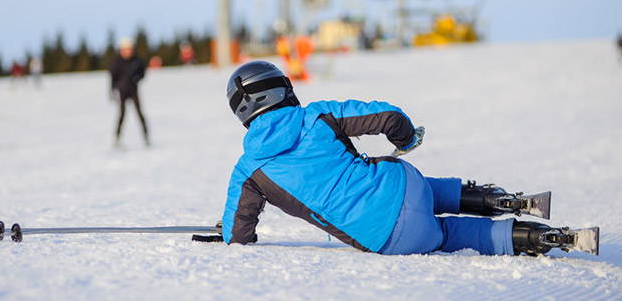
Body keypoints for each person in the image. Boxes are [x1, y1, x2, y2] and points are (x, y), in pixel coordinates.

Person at [220, 61, 597, 256]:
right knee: (424, 191)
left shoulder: (248, 171)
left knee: (447, 235)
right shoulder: (317, 116)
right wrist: (405, 139)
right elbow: (389, 117)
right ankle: (497, 199)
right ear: (282, 89)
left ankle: (536, 238)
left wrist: (230, 233)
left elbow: (238, 234)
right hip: (405, 184)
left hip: (385, 236)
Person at [109, 37, 149, 146]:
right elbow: (112, 78)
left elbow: (143, 72)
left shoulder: (137, 60)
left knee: (139, 113)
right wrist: (112, 91)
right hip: (122, 91)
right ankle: (117, 138)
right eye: (125, 49)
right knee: (122, 114)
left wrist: (137, 78)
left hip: (133, 91)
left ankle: (146, 137)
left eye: (129, 49)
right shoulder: (117, 62)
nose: (127, 52)